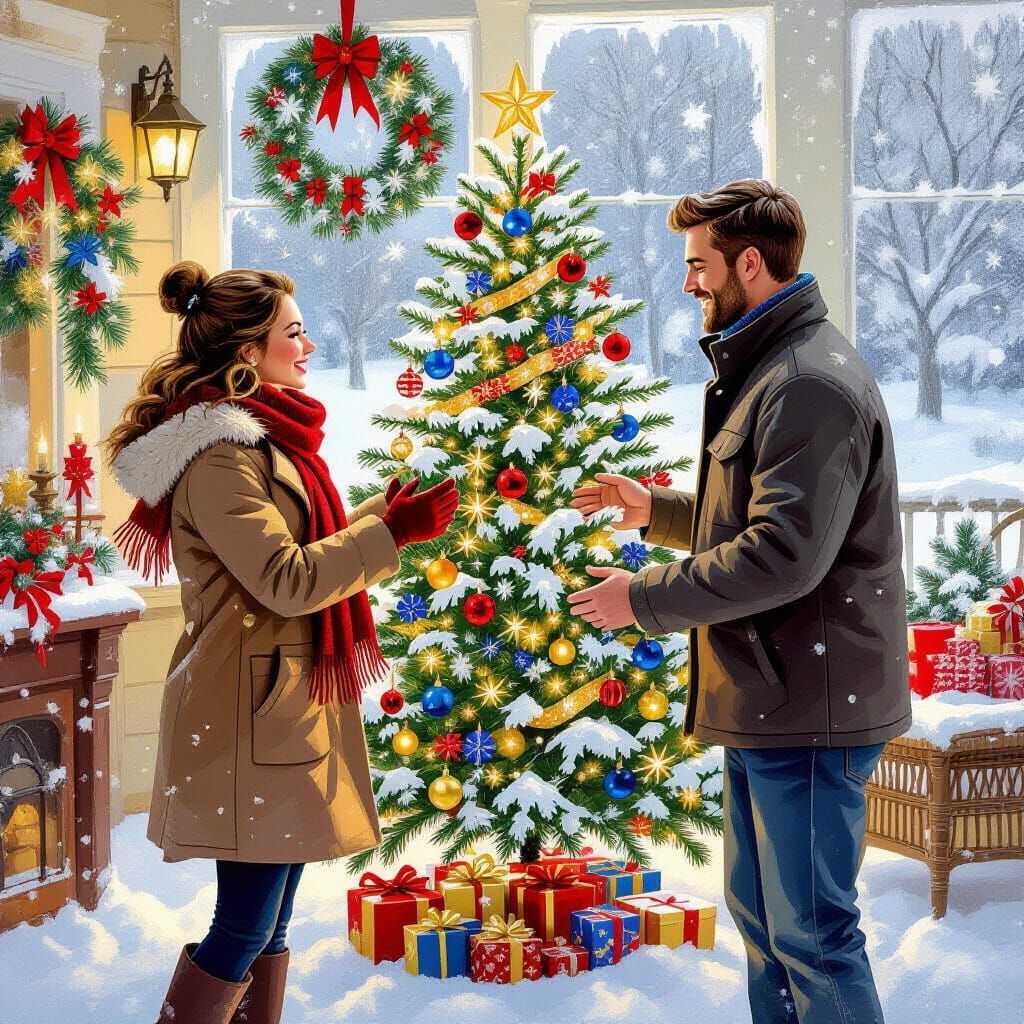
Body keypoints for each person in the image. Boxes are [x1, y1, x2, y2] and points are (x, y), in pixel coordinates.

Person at [568, 180, 909, 1024]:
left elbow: (785, 556)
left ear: (748, 264)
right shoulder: (769, 371)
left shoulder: (808, 383)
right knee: (765, 926)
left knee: (815, 937)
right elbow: (761, 520)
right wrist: (660, 514)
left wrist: (641, 601)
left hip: (808, 708)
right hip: (769, 698)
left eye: (698, 265)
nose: (689, 283)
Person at [104, 261, 459, 1024]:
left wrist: (379, 515)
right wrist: (392, 533)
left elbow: (304, 540)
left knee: (273, 923)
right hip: (251, 716)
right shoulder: (221, 454)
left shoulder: (265, 438)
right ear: (245, 354)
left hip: (280, 708)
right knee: (244, 925)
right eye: (292, 332)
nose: (308, 345)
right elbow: (286, 578)